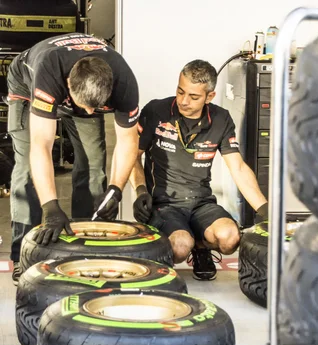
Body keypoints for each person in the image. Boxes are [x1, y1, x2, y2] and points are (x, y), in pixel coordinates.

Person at [7, 32, 140, 284]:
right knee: (26, 168)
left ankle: (83, 245)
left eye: (97, 108)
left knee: (93, 165)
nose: (90, 113)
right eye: (86, 106)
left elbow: (128, 141)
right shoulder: (49, 70)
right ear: (69, 84)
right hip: (27, 87)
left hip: (85, 85)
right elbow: (41, 145)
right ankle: (23, 253)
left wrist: (116, 189)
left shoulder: (124, 80)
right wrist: (50, 207)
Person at [130, 59, 268, 281]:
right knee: (180, 246)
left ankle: (201, 247)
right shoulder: (156, 111)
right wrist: (140, 191)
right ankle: (184, 245)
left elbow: (238, 168)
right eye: (180, 91)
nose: (184, 101)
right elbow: (133, 156)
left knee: (229, 238)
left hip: (201, 202)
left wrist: (264, 210)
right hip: (165, 203)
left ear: (209, 97)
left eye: (193, 97)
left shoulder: (221, 119)